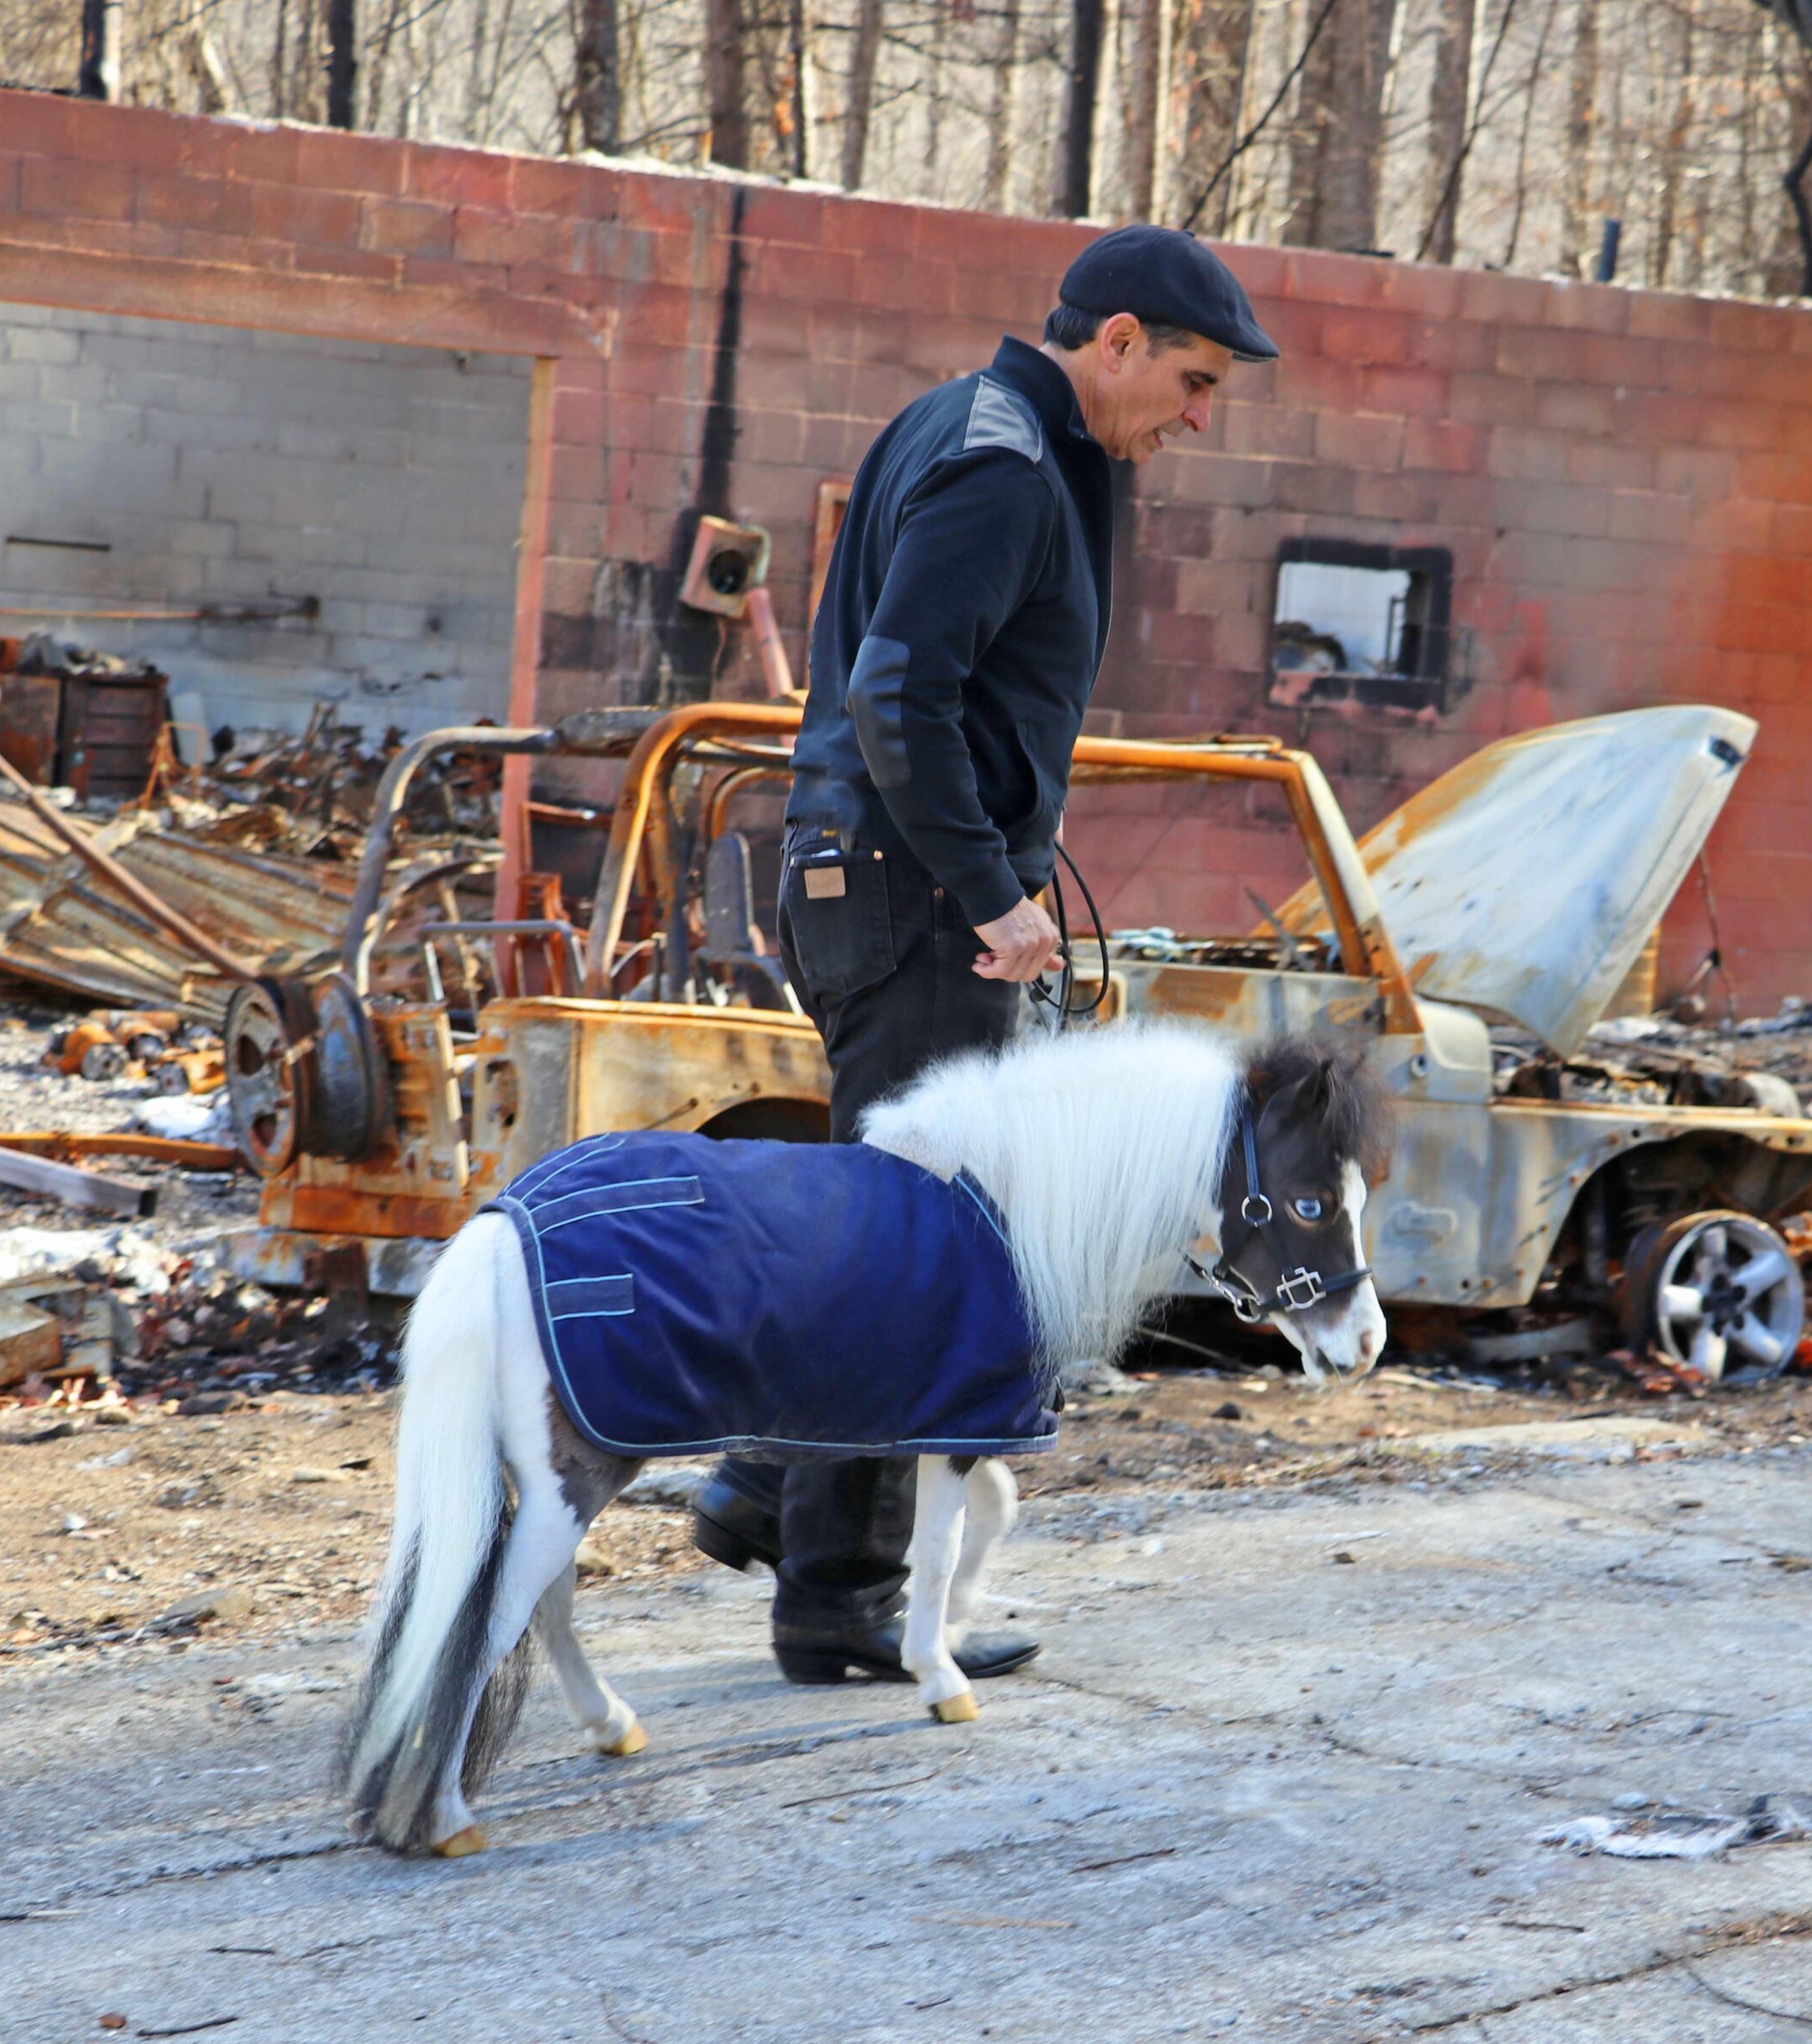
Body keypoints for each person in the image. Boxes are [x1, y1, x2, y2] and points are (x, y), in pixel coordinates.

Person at [690, 223, 1280, 1686]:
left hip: (875, 883)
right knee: (920, 1244)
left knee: (892, 1225)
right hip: (908, 893)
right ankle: (837, 1595)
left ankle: (775, 1491)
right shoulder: (1008, 465)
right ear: (1120, 340)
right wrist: (989, 894)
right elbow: (900, 690)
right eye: (1195, 381)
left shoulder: (968, 423)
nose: (1199, 417)